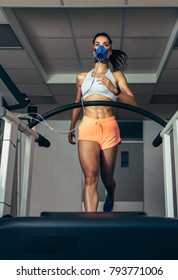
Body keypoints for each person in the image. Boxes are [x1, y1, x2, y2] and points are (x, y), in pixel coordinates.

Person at [68, 32, 137, 212]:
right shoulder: (82, 77)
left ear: (110, 50)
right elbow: (78, 102)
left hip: (109, 127)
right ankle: (91, 225)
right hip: (88, 126)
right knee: (91, 177)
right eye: (97, 43)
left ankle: (111, 192)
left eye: (105, 44)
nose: (101, 47)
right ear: (92, 49)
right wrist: (71, 126)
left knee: (107, 179)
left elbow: (132, 102)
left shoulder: (117, 75)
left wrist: (113, 89)